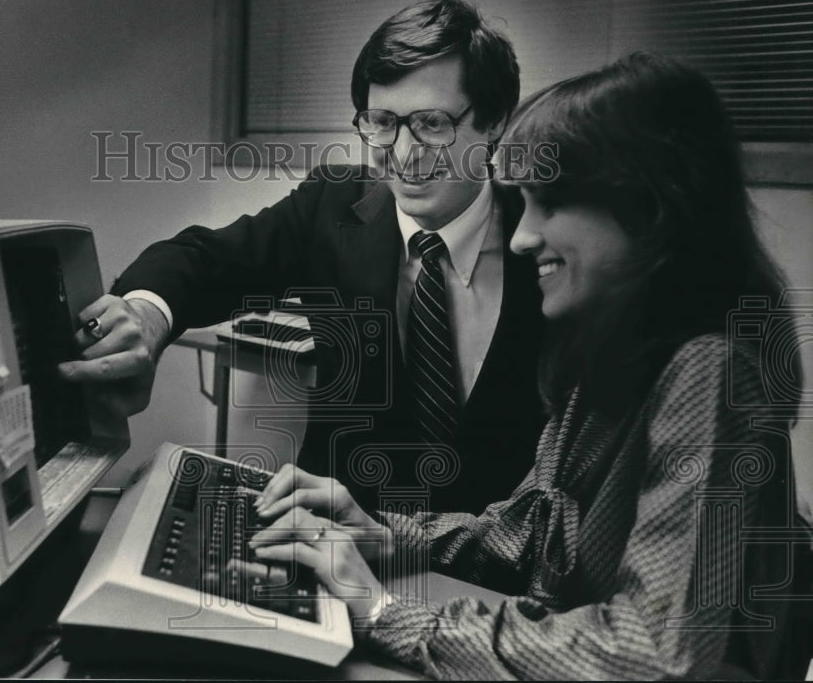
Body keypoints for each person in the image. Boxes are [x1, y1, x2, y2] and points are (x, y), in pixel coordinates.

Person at [247, 51, 810, 679]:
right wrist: (380, 536)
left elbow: (653, 652)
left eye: (548, 204)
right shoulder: (608, 350)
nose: (520, 237)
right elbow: (529, 533)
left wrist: (380, 611)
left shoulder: (710, 369)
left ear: (651, 208)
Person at [59, 0, 545, 515]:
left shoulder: (545, 232)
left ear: (494, 120)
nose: (402, 154)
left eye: (431, 123)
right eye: (382, 121)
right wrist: (147, 317)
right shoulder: (333, 204)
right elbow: (206, 260)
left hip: (487, 575)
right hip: (328, 547)